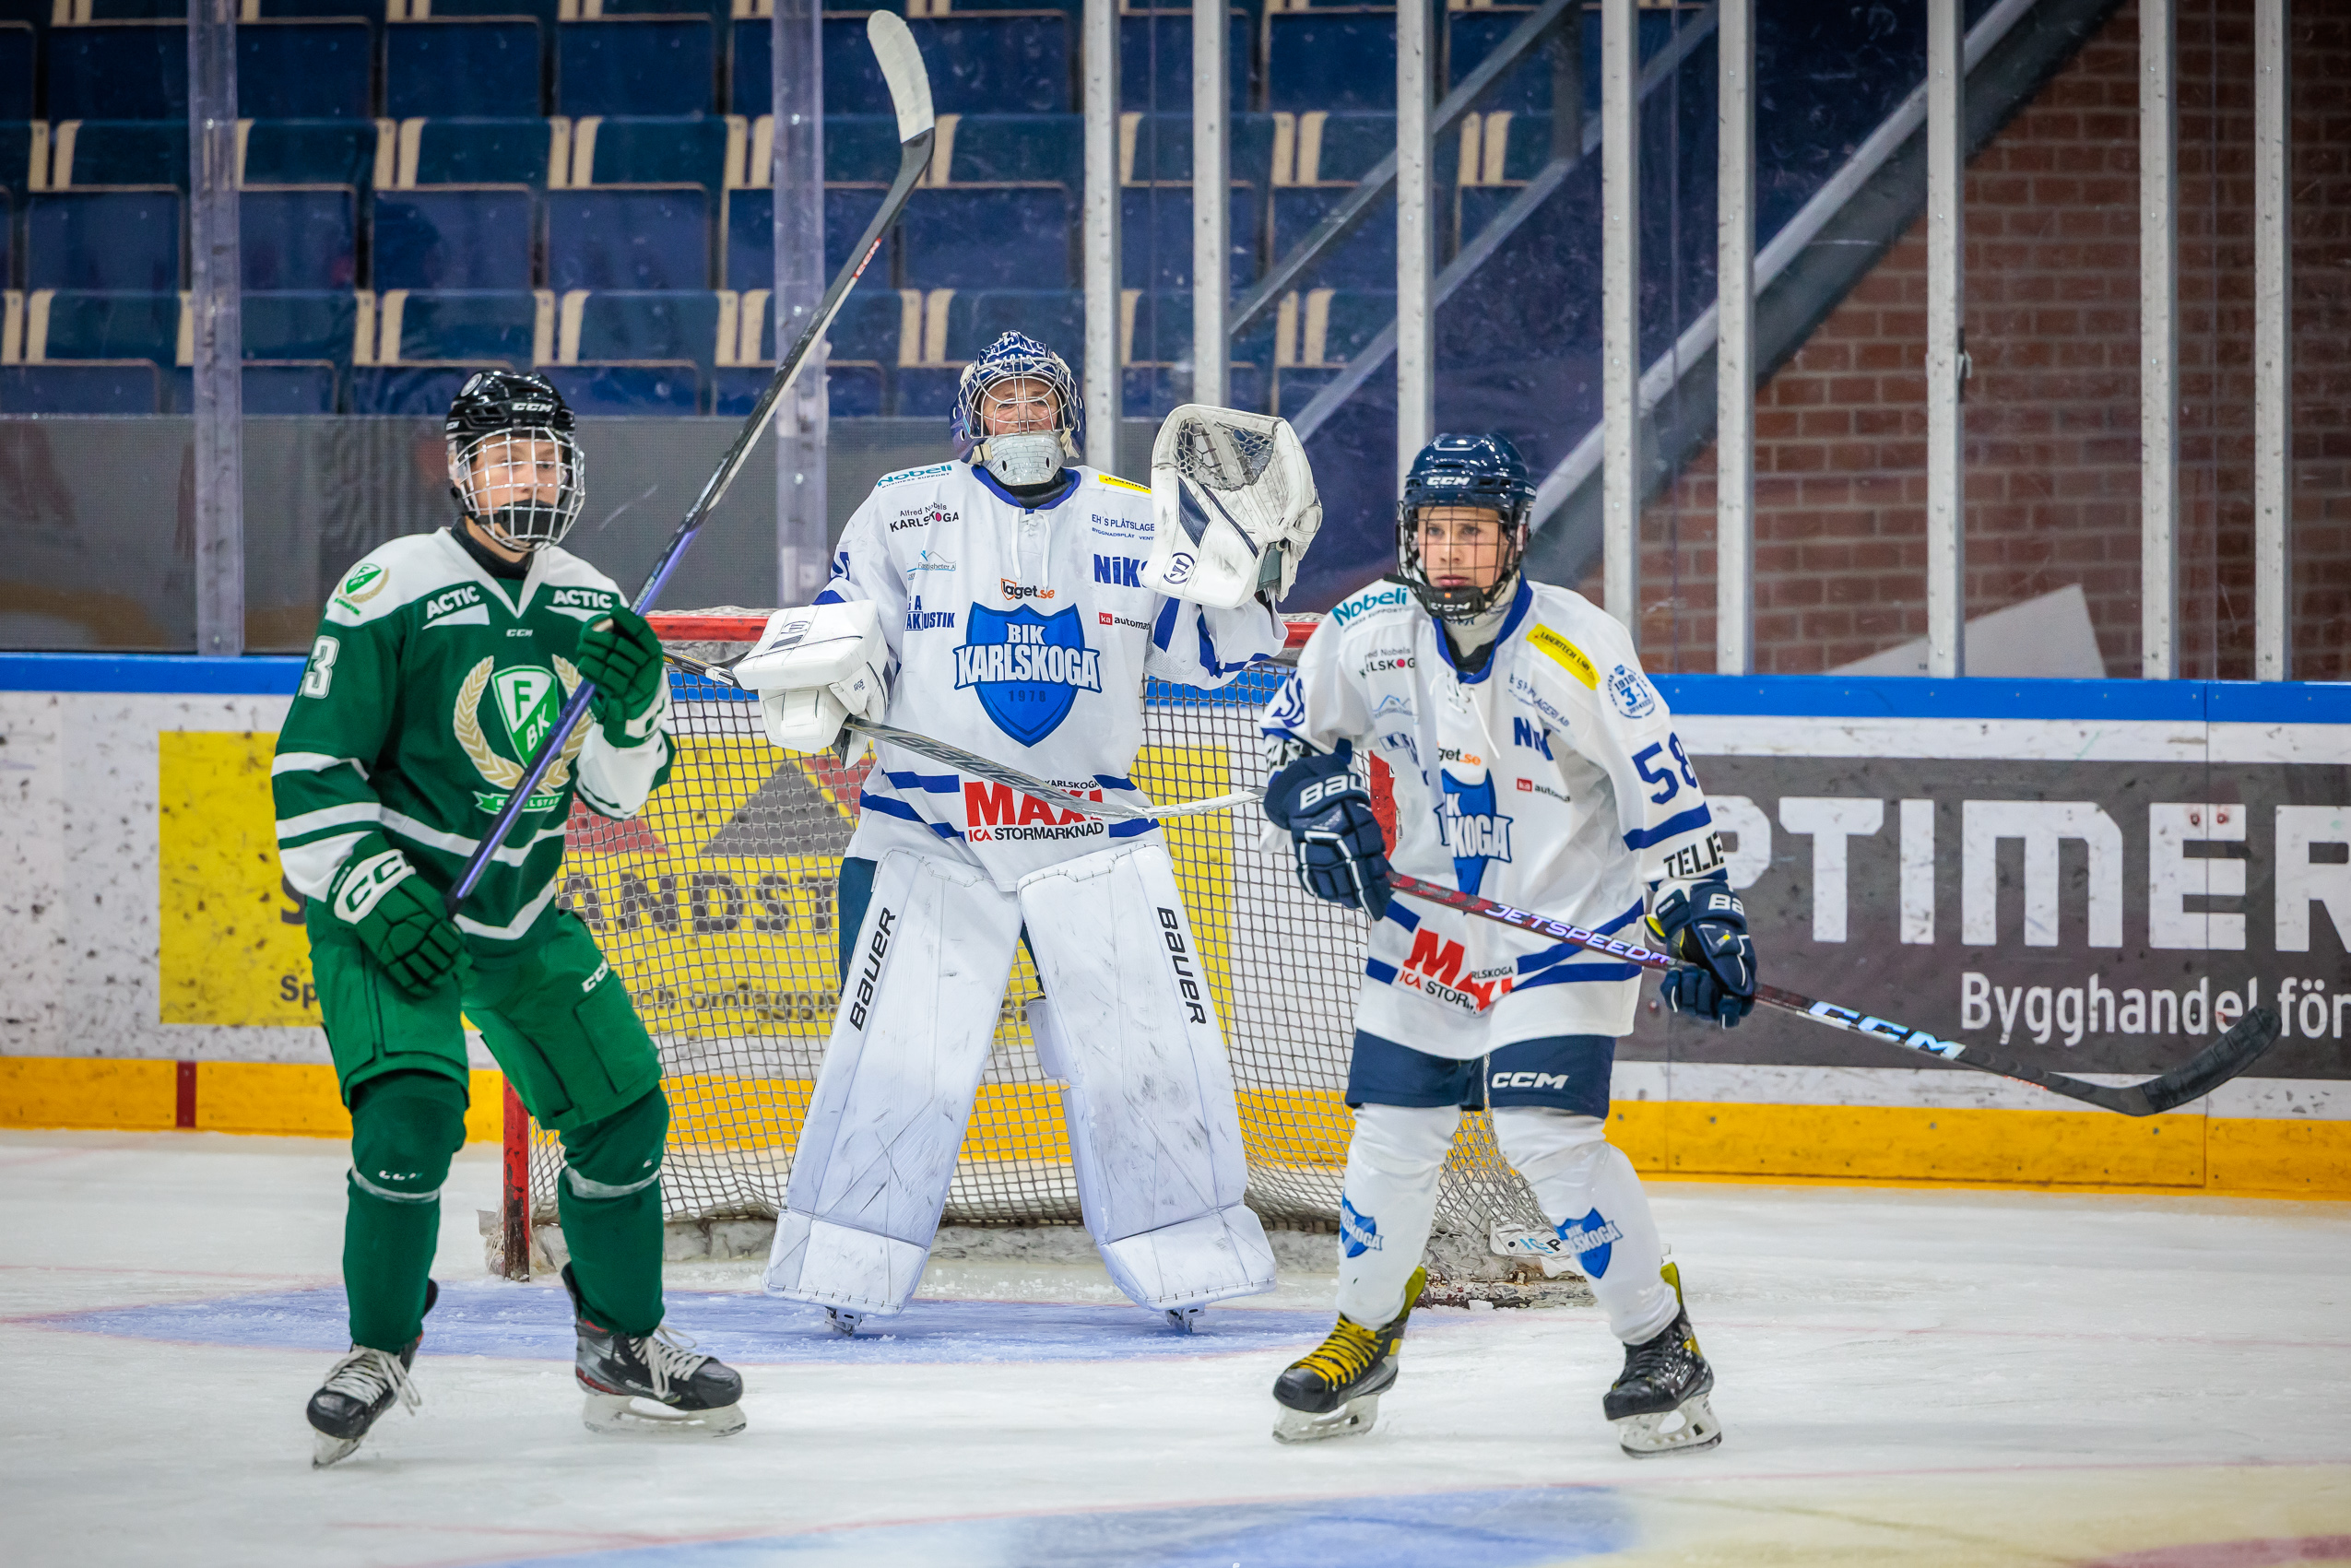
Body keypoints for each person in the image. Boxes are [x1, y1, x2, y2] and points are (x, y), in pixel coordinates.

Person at [737, 333, 1287, 1334]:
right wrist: (831, 683)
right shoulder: (902, 508)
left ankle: (1186, 1257)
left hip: (1089, 835)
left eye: (1040, 401)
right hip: (930, 829)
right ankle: (846, 1266)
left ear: (1064, 417)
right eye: (1005, 402)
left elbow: (1203, 655)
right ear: (973, 418)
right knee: (900, 1060)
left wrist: (1248, 573)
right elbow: (852, 622)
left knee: (1144, 1056)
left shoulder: (1134, 516)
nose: (1024, 417)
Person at [274, 371, 743, 1467]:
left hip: (519, 907)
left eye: (545, 459)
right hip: (392, 909)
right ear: (463, 472)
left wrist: (632, 706)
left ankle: (621, 1341)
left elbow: (618, 794)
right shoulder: (390, 585)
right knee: (411, 1115)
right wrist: (375, 892)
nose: (528, 479)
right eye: (506, 460)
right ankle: (378, 1349)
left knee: (623, 1109)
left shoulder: (592, 598)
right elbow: (312, 769)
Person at [1255, 432, 1754, 1456]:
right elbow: (1292, 743)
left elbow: (1660, 790)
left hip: (1564, 923)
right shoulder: (1364, 629)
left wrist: (1698, 907)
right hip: (1431, 930)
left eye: (1473, 533)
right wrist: (1310, 802)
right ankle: (1362, 1335)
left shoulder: (1580, 646)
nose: (1450, 554)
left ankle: (1662, 1345)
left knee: (1544, 1135)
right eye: (1434, 532)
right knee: (1392, 1136)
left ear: (1517, 538)